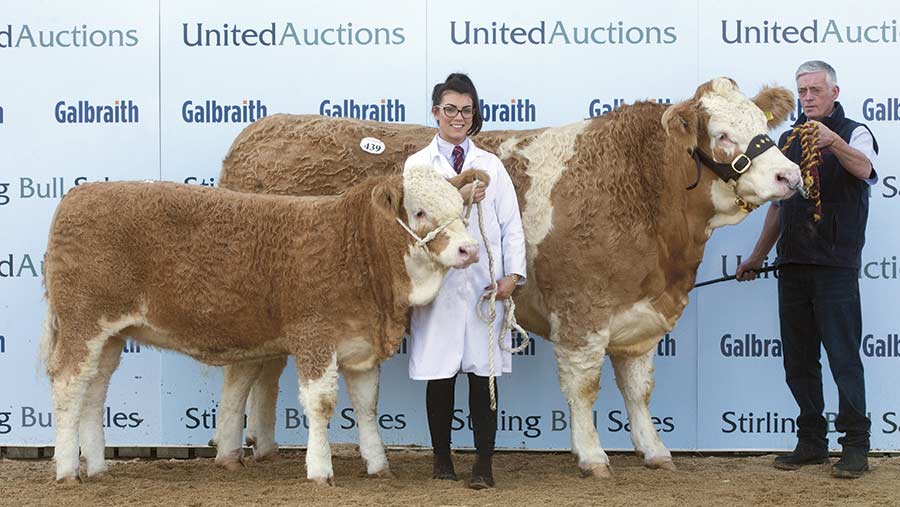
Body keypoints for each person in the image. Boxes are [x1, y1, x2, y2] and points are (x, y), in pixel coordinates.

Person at [737, 60, 878, 479]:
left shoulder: (854, 132)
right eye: (803, 91)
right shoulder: (788, 138)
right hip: (793, 263)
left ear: (834, 92)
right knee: (798, 361)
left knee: (843, 359)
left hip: (835, 266)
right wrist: (758, 255)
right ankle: (812, 441)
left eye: (816, 90)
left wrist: (833, 141)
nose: (808, 98)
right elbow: (780, 207)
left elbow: (866, 169)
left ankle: (855, 445)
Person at [403, 73, 527, 489]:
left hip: (483, 286)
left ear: (475, 114)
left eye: (467, 110)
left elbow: (511, 225)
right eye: (451, 109)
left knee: (483, 375)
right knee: (439, 377)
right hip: (438, 286)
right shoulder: (417, 166)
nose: (459, 117)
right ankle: (442, 460)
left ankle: (484, 465)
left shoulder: (492, 165)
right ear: (436, 112)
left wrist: (513, 275)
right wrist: (460, 197)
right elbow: (411, 226)